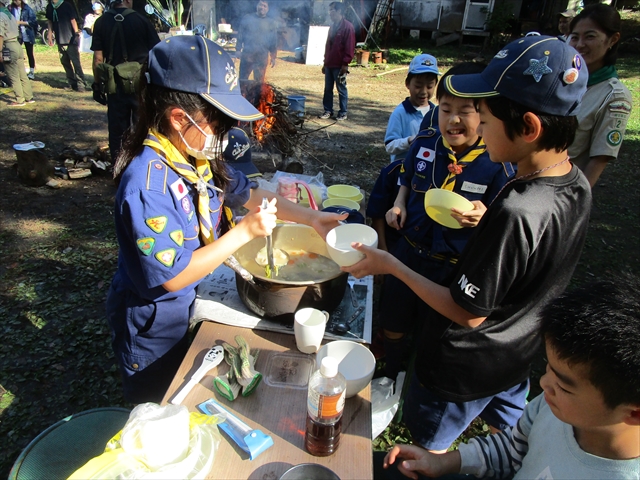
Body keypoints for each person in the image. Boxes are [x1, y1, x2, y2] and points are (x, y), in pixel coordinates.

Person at [345, 35, 591, 453]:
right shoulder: (575, 184)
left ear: (529, 128)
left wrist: (392, 265)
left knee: (426, 452)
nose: (479, 128)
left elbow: (467, 312)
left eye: (487, 121)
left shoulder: (517, 211)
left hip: (464, 367)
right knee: (513, 439)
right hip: (515, 356)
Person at [106, 35, 346, 404]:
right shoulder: (148, 187)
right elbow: (173, 277)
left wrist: (312, 218)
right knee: (158, 398)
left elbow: (250, 195)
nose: (225, 134)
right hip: (152, 322)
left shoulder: (195, 156)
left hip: (187, 302)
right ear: (178, 117)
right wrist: (244, 232)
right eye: (219, 123)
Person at [379, 274, 640, 479]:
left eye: (564, 386)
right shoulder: (555, 409)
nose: (544, 384)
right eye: (549, 369)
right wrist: (441, 462)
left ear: (633, 413)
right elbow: (513, 450)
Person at [376, 62, 515, 380]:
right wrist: (398, 204)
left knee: (432, 330)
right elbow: (407, 178)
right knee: (393, 320)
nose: (452, 120)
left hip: (451, 266)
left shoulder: (495, 162)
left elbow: (503, 215)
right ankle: (393, 369)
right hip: (408, 253)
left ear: (484, 115)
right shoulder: (425, 144)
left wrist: (484, 216)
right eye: (445, 108)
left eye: (465, 111)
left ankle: (415, 376)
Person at [567, 4, 633, 187]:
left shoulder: (614, 97)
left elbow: (599, 159)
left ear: (613, 39)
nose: (580, 45)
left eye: (590, 37)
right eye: (575, 37)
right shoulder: (562, 80)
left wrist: (576, 202)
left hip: (562, 190)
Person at [91, 0, 159, 161]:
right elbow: (156, 52)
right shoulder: (142, 20)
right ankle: (141, 164)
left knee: (117, 130)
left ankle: (118, 167)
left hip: (115, 85)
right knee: (142, 127)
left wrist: (97, 85)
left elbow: (98, 59)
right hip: (140, 83)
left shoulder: (101, 22)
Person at [384, 54, 439, 163]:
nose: (423, 92)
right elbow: (389, 146)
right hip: (403, 171)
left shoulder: (436, 113)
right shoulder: (400, 113)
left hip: (427, 171)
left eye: (429, 87)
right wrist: (409, 141)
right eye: (418, 86)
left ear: (435, 85)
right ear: (408, 84)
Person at [318, 1, 355, 121]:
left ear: (339, 11)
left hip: (339, 65)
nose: (329, 13)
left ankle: (343, 112)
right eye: (329, 10)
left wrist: (345, 64)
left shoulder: (348, 27)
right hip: (329, 64)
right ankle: (328, 110)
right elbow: (328, 46)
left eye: (332, 10)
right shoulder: (332, 26)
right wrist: (325, 63)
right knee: (328, 89)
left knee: (341, 89)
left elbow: (349, 48)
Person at [46, 0, 86, 91]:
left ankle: (81, 83)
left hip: (70, 38)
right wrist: (49, 35)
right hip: (59, 38)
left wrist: (76, 34)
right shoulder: (50, 7)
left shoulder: (66, 5)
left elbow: (73, 20)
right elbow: (50, 22)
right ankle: (72, 83)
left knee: (75, 62)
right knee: (64, 61)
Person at [0, 0, 33, 106]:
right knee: (22, 73)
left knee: (12, 74)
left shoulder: (0, 15)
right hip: (17, 44)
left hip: (8, 46)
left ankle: (20, 99)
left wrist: (0, 51)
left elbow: (0, 36)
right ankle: (29, 97)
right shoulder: (9, 14)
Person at [237, 0, 277, 83]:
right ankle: (242, 95)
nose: (262, 7)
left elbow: (273, 40)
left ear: (268, 9)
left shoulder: (271, 23)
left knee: (259, 83)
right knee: (242, 80)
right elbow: (240, 35)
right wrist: (238, 49)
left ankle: (257, 96)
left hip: (261, 57)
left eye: (264, 6)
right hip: (247, 55)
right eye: (260, 5)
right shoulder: (247, 18)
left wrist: (273, 56)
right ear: (257, 6)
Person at [8, 0, 37, 80]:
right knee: (16, 52)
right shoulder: (10, 8)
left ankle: (31, 72)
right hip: (17, 34)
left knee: (29, 53)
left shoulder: (27, 9)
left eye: (17, 0)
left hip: (27, 33)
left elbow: (33, 22)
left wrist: (21, 22)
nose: (15, 2)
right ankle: (17, 71)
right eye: (14, 0)